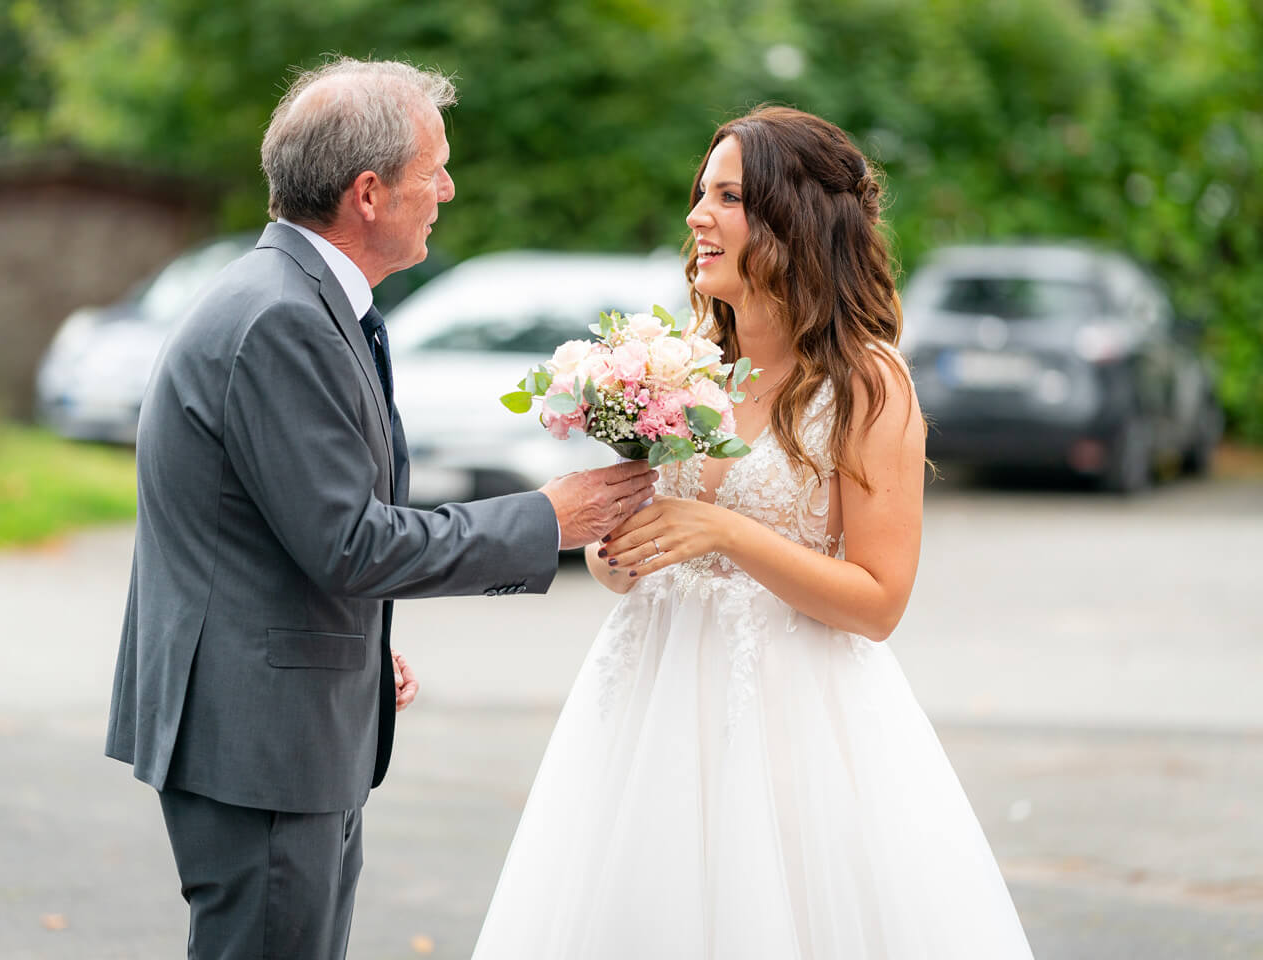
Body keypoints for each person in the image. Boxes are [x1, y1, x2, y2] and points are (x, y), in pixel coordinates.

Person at [104, 57, 656, 960]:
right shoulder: (281, 317)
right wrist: (549, 518)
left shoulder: (301, 298)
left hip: (281, 716)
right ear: (368, 192)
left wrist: (357, 649)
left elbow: (277, 531)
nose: (447, 186)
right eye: (432, 167)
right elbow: (351, 542)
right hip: (259, 741)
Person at [470, 106, 1035, 958]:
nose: (697, 216)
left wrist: (725, 534)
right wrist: (617, 558)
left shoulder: (867, 386)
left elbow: (879, 602)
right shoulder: (685, 364)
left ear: (793, 217)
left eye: (727, 196)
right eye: (701, 194)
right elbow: (647, 535)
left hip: (792, 721)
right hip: (649, 705)